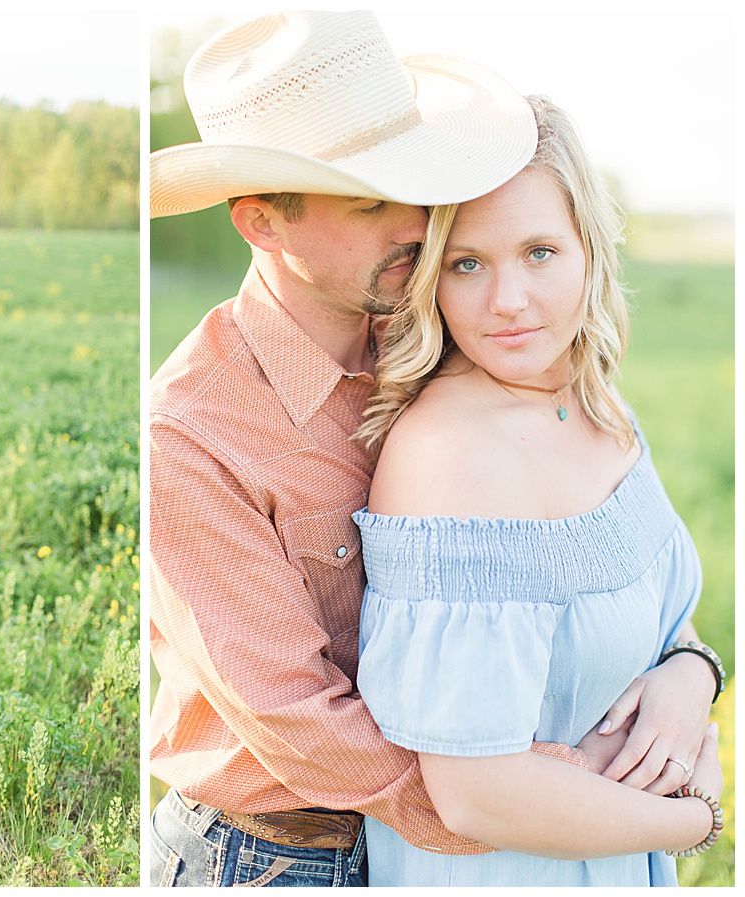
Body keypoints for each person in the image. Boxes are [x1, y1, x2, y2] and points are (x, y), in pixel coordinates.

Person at [147, 11, 722, 887]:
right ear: (262, 223)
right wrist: (575, 792)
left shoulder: (441, 340)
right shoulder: (192, 433)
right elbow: (302, 722)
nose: (419, 222)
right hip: (276, 855)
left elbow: (582, 562)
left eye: (411, 184)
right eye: (372, 201)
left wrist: (686, 667)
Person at [350, 95, 724, 886]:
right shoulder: (450, 460)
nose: (507, 302)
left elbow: (663, 619)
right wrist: (697, 819)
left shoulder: (595, 402)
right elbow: (476, 793)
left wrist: (692, 680)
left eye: (540, 252)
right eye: (468, 263)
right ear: (431, 279)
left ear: (589, 247)